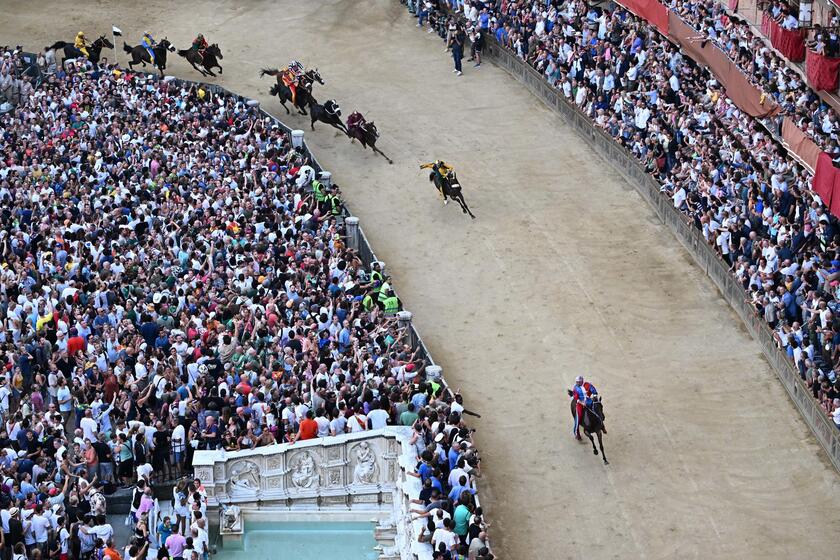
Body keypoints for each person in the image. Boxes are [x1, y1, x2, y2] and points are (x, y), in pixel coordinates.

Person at [570, 375, 599, 440]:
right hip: (580, 403)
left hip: (589, 401)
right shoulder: (575, 388)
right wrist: (582, 403)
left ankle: (601, 423)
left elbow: (593, 390)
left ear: (582, 381)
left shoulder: (587, 385)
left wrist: (595, 395)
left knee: (597, 409)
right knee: (578, 416)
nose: (577, 383)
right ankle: (577, 433)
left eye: (578, 382)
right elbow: (576, 398)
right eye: (576, 382)